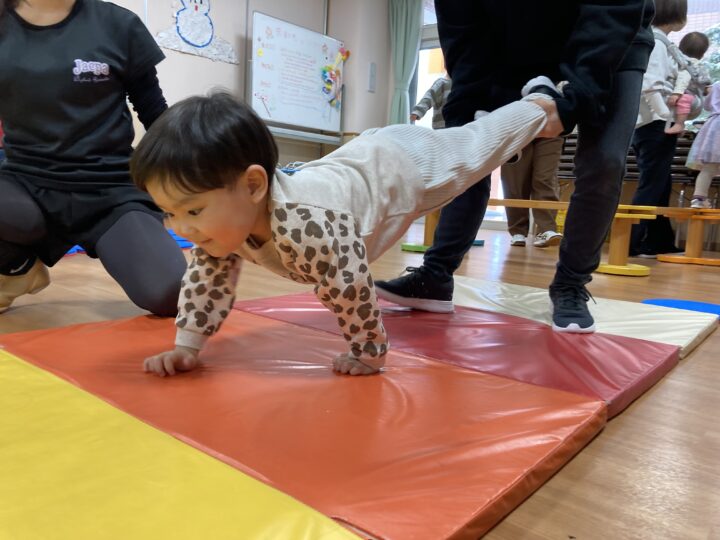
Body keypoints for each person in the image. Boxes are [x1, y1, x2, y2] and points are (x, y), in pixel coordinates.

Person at [130, 91, 559, 377]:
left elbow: (350, 288)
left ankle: (539, 105)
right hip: (360, 163)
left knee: (476, 146)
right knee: (477, 147)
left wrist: (368, 352)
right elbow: (206, 284)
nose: (181, 228)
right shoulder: (221, 227)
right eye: (169, 213)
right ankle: (509, 130)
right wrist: (187, 347)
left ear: (254, 185)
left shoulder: (308, 230)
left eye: (192, 211)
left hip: (406, 166)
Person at [375, 0, 656, 333]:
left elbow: (612, 13)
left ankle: (570, 284)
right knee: (465, 146)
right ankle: (435, 275)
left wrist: (576, 101)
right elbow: (463, 40)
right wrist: (464, 120)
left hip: (613, 40)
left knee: (604, 161)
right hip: (512, 46)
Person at [0, 0, 187, 315]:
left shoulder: (118, 24)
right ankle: (18, 268)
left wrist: (196, 181)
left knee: (172, 295)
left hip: (110, 191)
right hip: (25, 188)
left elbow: (155, 111)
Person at [629, 0, 689, 258]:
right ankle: (630, 242)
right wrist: (667, 117)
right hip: (655, 124)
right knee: (652, 184)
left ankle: (658, 240)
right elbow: (651, 84)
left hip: (650, 123)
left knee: (661, 183)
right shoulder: (658, 43)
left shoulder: (657, 42)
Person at [500, 136, 564, 248]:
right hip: (517, 130)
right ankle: (518, 231)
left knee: (545, 178)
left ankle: (546, 230)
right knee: (515, 181)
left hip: (551, 130)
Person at [665, 31, 711, 135]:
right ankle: (679, 125)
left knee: (684, 98)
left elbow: (684, 77)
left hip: (692, 100)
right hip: (690, 100)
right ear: (702, 54)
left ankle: (679, 124)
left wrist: (677, 93)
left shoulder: (692, 64)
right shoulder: (680, 62)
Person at [686, 81, 720, 209]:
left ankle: (699, 199)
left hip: (714, 127)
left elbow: (707, 106)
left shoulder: (716, 85)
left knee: (708, 168)